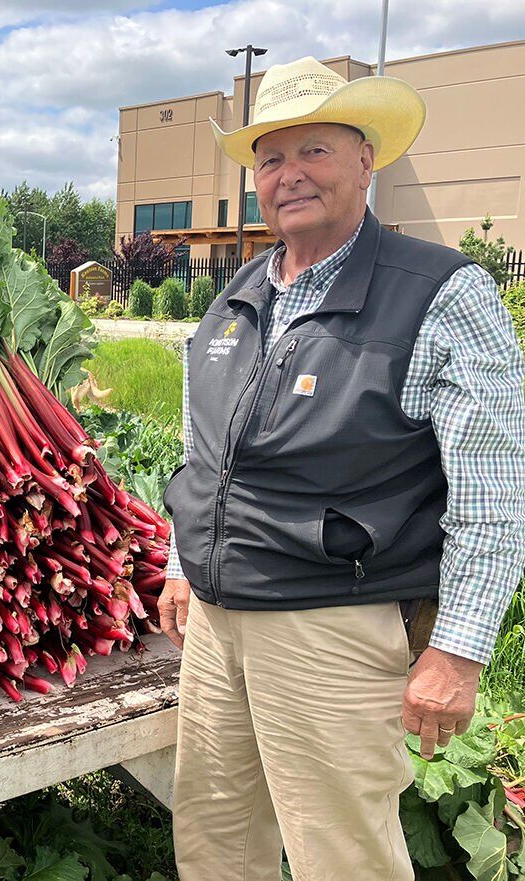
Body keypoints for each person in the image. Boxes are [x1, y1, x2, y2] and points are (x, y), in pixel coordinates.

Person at [159, 56, 525, 880]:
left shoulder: (439, 291)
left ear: (366, 159)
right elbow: (200, 450)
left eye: (313, 151)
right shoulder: (239, 292)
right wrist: (183, 559)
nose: (289, 175)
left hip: (330, 621)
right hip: (217, 627)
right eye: (271, 157)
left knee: (343, 856)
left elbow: (493, 492)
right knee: (215, 842)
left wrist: (458, 651)